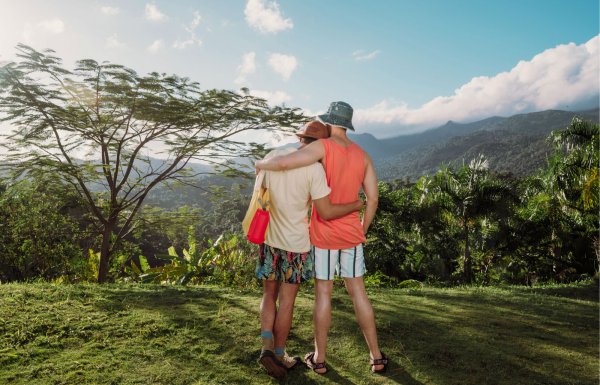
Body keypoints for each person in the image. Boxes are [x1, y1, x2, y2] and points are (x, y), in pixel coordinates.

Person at [255, 101, 388, 375]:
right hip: (351, 234)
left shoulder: (322, 148)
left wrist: (261, 163)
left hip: (323, 236)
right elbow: (373, 198)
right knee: (359, 294)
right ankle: (376, 357)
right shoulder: (363, 155)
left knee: (323, 294)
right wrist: (361, 229)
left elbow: (285, 163)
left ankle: (320, 359)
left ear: (329, 123)